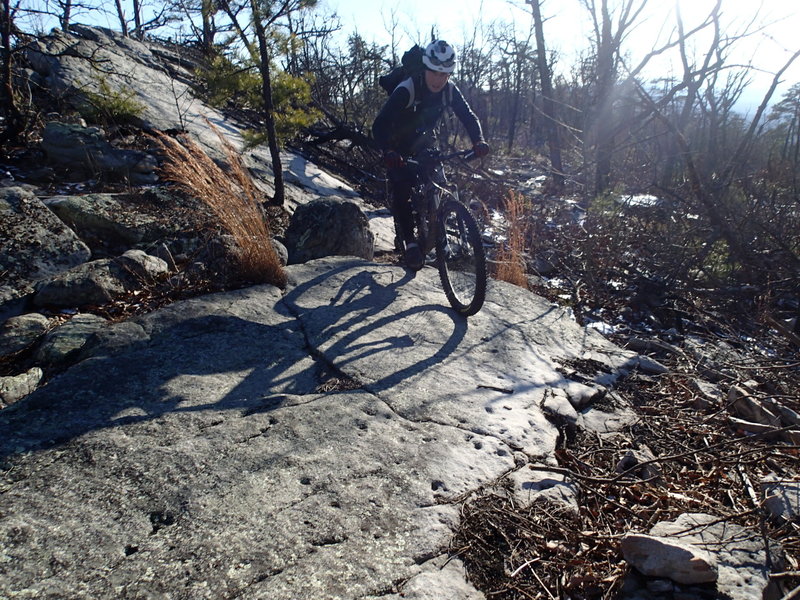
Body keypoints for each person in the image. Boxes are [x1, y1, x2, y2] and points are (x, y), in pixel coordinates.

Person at [372, 39, 490, 271]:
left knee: (438, 180)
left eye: (444, 74)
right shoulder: (408, 88)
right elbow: (380, 125)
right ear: (426, 68)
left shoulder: (449, 90)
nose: (439, 79)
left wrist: (479, 141)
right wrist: (389, 150)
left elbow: (468, 116)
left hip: (425, 139)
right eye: (435, 72)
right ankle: (410, 243)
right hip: (398, 142)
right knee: (402, 186)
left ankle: (438, 230)